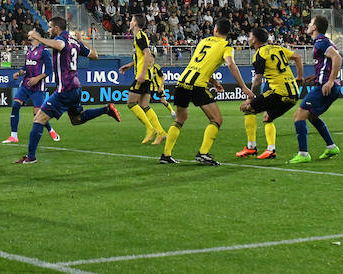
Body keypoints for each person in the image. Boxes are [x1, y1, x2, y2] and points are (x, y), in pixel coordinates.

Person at [14, 17, 120, 164]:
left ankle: (31, 157)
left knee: (38, 119)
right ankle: (106, 109)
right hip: (76, 87)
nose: (48, 30)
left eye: (50, 27)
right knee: (77, 119)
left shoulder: (61, 39)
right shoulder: (74, 41)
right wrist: (81, 40)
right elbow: (94, 55)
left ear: (56, 28)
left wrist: (38, 38)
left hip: (65, 89)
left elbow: (59, 45)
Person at [159, 18, 252, 166]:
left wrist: (213, 81)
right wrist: (243, 87)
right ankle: (203, 153)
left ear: (215, 29)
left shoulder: (203, 41)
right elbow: (231, 64)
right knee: (216, 119)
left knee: (180, 119)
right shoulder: (226, 46)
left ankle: (166, 155)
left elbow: (199, 65)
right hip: (197, 85)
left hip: (182, 82)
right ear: (228, 32)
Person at [236, 28, 303, 160]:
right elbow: (297, 57)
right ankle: (271, 150)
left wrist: (250, 98)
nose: (248, 39)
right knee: (267, 117)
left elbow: (258, 79)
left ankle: (251, 147)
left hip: (279, 92)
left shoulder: (260, 54)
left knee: (247, 108)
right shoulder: (278, 48)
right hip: (294, 94)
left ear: (255, 40)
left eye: (250, 36)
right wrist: (300, 77)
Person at [289, 15, 343, 164]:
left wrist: (329, 81)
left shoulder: (320, 42)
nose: (308, 25)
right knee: (312, 116)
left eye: (310, 23)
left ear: (314, 27)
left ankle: (303, 154)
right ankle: (331, 147)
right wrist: (317, 76)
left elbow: (337, 58)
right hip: (327, 85)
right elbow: (329, 62)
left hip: (326, 86)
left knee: (299, 116)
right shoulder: (325, 42)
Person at [118, 14, 167, 144]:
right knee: (144, 105)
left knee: (131, 103)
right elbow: (141, 57)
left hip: (143, 76)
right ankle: (161, 132)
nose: (129, 22)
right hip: (146, 76)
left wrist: (142, 73)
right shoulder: (139, 36)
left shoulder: (140, 36)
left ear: (135, 23)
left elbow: (147, 54)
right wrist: (130, 65)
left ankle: (150, 129)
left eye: (131, 20)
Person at [3, 31, 59, 143]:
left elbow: (49, 70)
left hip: (38, 87)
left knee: (37, 114)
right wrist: (19, 73)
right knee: (15, 106)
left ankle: (51, 130)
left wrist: (37, 78)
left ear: (36, 36)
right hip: (25, 84)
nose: (28, 35)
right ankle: (14, 136)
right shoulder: (29, 50)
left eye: (31, 34)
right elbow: (26, 67)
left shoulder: (44, 51)